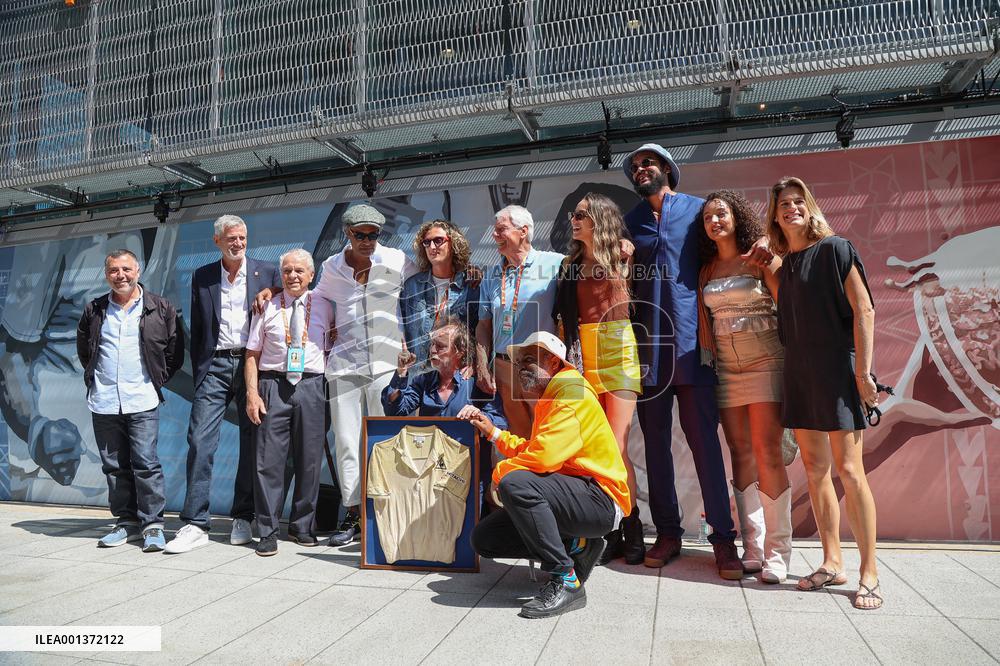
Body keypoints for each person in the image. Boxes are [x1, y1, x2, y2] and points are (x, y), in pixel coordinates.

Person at [621, 143, 742, 578]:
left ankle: (724, 541)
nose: (640, 169)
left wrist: (762, 241)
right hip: (648, 351)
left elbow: (732, 241)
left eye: (647, 162)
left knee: (705, 444)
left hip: (693, 346)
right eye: (634, 166)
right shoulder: (628, 222)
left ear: (667, 168)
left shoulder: (697, 211)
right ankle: (667, 533)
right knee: (654, 446)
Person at [766, 176, 882, 610]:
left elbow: (864, 309)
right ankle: (832, 562)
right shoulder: (788, 262)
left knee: (851, 472)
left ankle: (869, 571)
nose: (791, 209)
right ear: (776, 216)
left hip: (838, 372)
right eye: (784, 205)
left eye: (798, 202)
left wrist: (863, 375)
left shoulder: (836, 248)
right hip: (800, 373)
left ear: (810, 206)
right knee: (815, 471)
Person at [460, 331, 630, 619]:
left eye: (530, 359)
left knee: (516, 483)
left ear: (553, 362)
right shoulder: (553, 394)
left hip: (600, 498)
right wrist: (495, 433)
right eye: (519, 362)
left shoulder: (571, 391)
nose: (522, 367)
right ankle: (577, 545)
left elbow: (544, 458)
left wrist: (500, 472)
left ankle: (567, 580)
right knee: (485, 539)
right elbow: (540, 450)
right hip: (579, 494)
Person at [165, 215, 281, 554]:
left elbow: (291, 292)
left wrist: (271, 290)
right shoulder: (202, 275)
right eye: (232, 238)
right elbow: (199, 327)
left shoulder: (267, 271)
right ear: (217, 241)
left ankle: (243, 516)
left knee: (251, 440)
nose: (239, 243)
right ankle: (195, 522)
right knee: (200, 440)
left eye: (243, 237)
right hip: (214, 365)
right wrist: (202, 368)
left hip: (252, 365)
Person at [696, 190, 792, 582]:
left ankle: (778, 551)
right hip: (726, 369)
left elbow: (788, 296)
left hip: (767, 361)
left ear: (737, 216)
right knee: (739, 451)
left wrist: (772, 250)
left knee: (767, 451)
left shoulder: (759, 257)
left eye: (721, 213)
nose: (715, 221)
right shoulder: (705, 269)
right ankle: (752, 544)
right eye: (707, 218)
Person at [553, 192, 645, 565]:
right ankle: (605, 530)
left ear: (599, 221)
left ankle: (633, 526)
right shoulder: (568, 265)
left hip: (618, 345)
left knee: (617, 446)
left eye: (581, 215)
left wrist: (627, 255)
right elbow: (562, 318)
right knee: (591, 447)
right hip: (581, 351)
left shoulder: (622, 256)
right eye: (573, 215)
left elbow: (626, 300)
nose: (573, 221)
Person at [76, 249, 184, 551]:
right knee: (114, 466)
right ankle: (126, 523)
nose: (120, 275)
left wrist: (156, 379)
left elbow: (174, 352)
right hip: (104, 399)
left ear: (137, 271)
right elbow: (86, 349)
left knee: (146, 464)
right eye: (113, 270)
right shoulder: (95, 309)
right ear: (106, 274)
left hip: (142, 398)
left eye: (126, 269)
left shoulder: (160, 308)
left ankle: (152, 525)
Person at [244, 249, 334, 556]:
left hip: (312, 385)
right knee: (268, 461)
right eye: (287, 271)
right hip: (273, 384)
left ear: (311, 275)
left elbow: (333, 346)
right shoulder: (266, 305)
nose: (293, 276)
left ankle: (301, 526)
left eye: (299, 271)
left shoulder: (325, 304)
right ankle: (267, 530)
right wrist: (252, 394)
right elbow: (252, 354)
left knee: (309, 459)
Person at [475, 205, 565, 440]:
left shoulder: (556, 264)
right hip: (505, 368)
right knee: (519, 436)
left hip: (540, 364)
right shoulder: (492, 275)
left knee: (546, 434)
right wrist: (483, 365)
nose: (494, 236)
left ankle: (548, 478)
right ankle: (523, 478)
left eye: (501, 230)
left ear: (523, 231)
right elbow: (483, 326)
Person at [382, 317, 506, 428]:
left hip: (465, 452)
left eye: (440, 346)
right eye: (432, 344)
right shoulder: (423, 382)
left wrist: (479, 415)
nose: (432, 350)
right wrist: (401, 371)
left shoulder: (476, 384)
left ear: (460, 351)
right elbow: (393, 411)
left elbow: (501, 423)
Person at [398, 220, 480, 373]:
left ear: (454, 243)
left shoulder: (471, 285)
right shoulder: (412, 286)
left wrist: (476, 364)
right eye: (427, 242)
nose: (432, 247)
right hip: (419, 376)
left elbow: (480, 330)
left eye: (438, 240)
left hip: (456, 374)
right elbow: (402, 328)